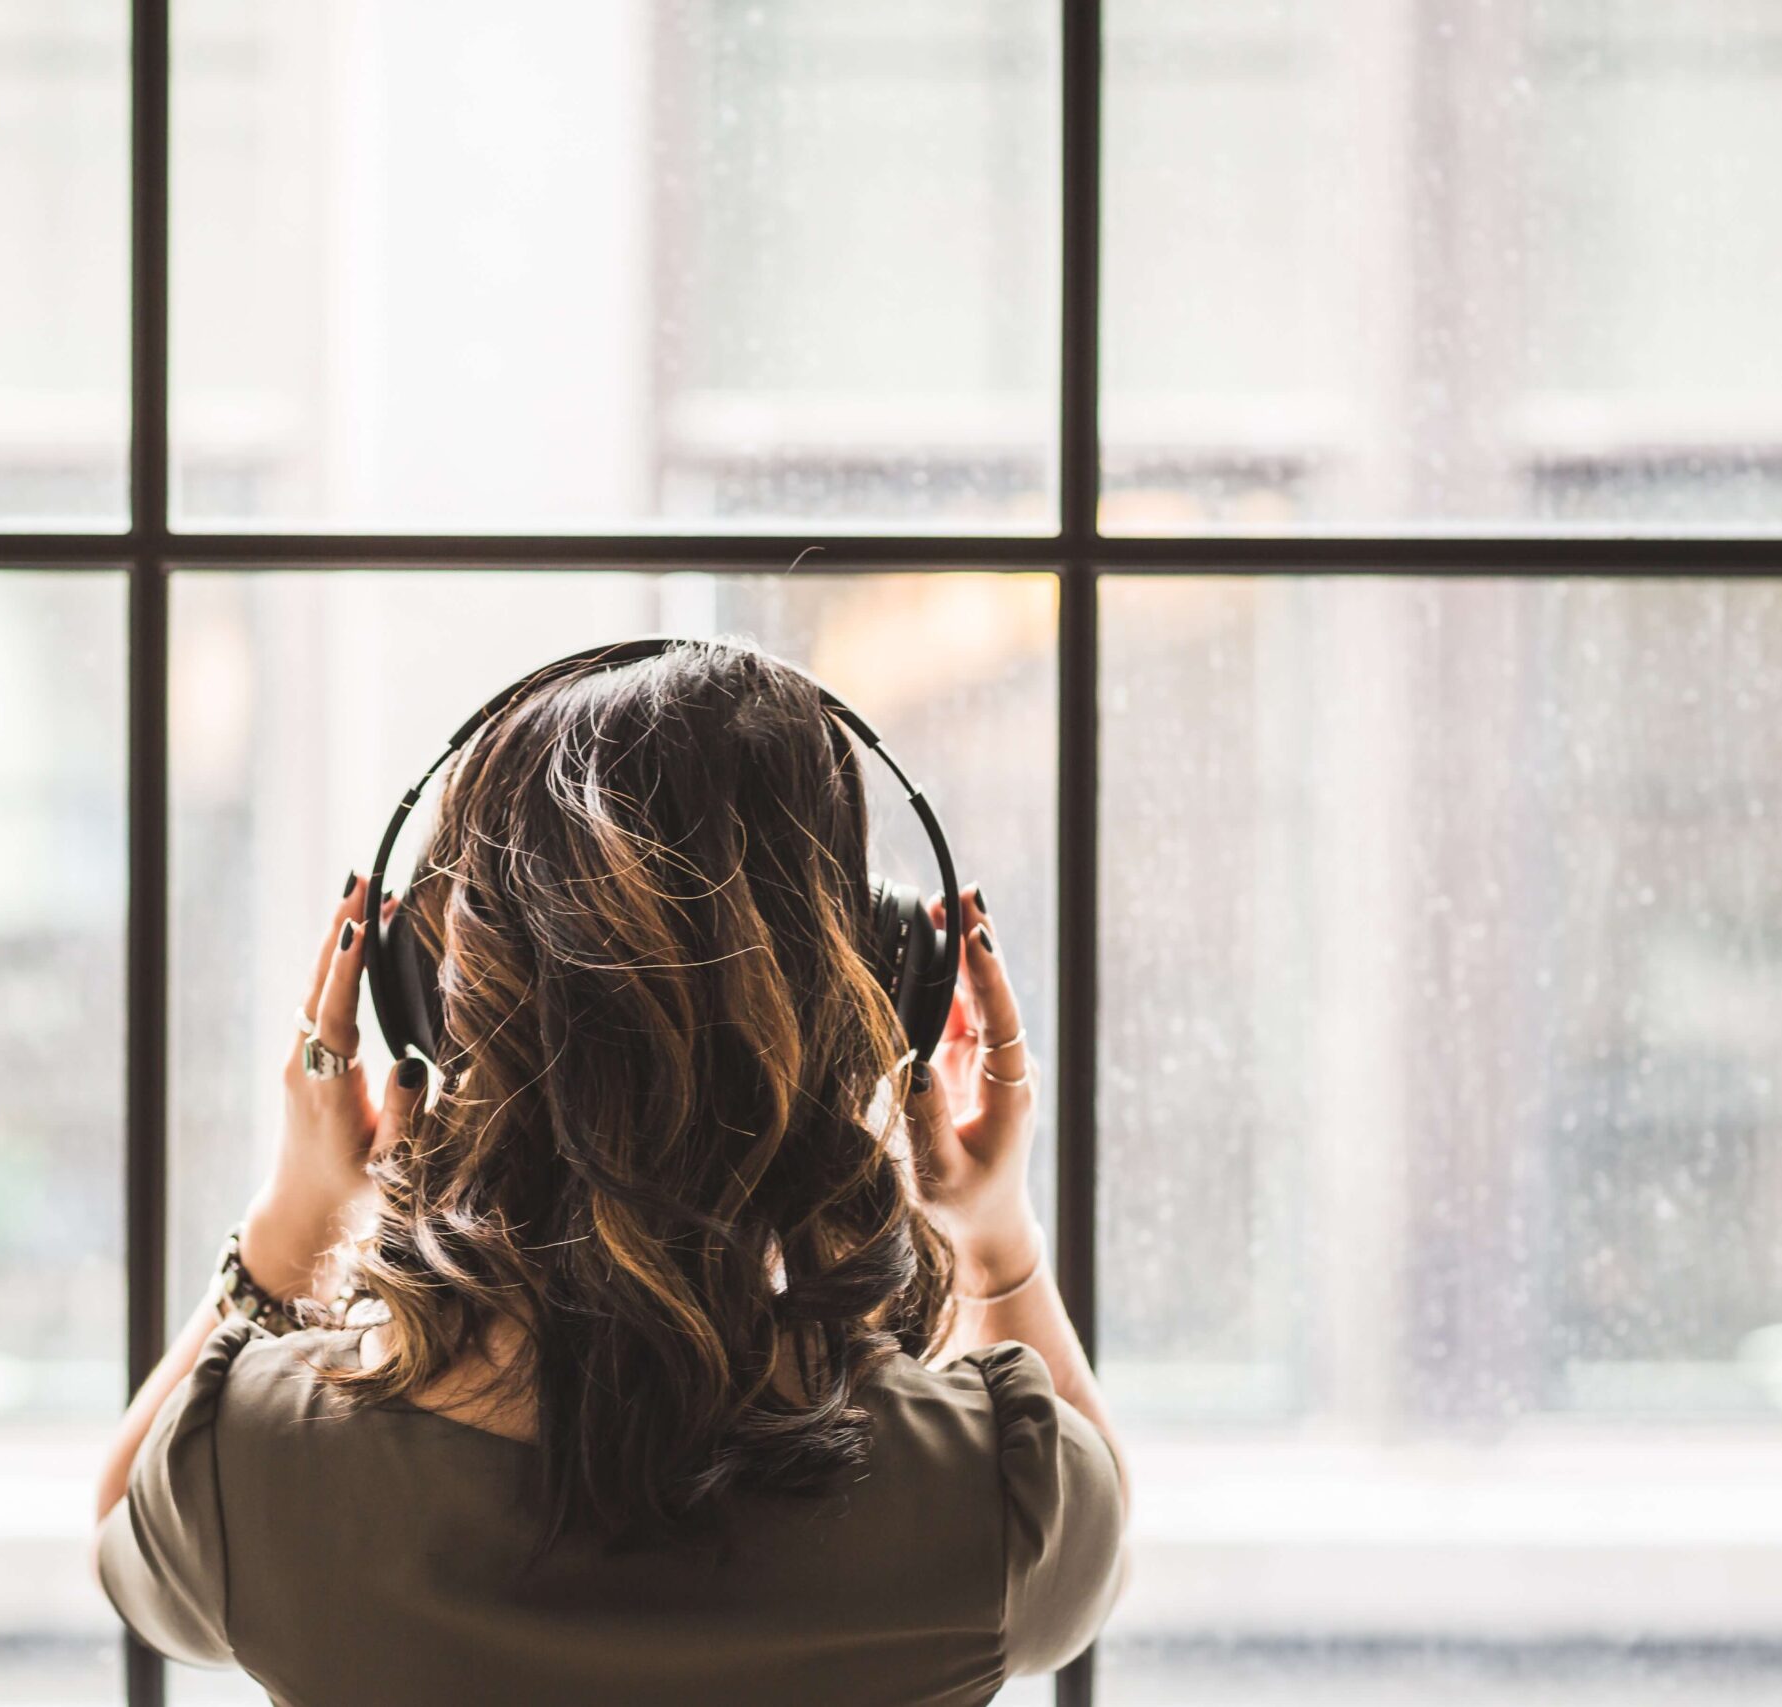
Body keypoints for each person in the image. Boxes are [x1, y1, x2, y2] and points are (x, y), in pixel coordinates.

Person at [94, 639, 1128, 1706]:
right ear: (882, 986)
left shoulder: (256, 1467)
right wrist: (995, 1234)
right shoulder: (992, 1494)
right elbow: (1092, 1553)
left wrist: (296, 1216)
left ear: (425, 1003)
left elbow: (125, 1533)